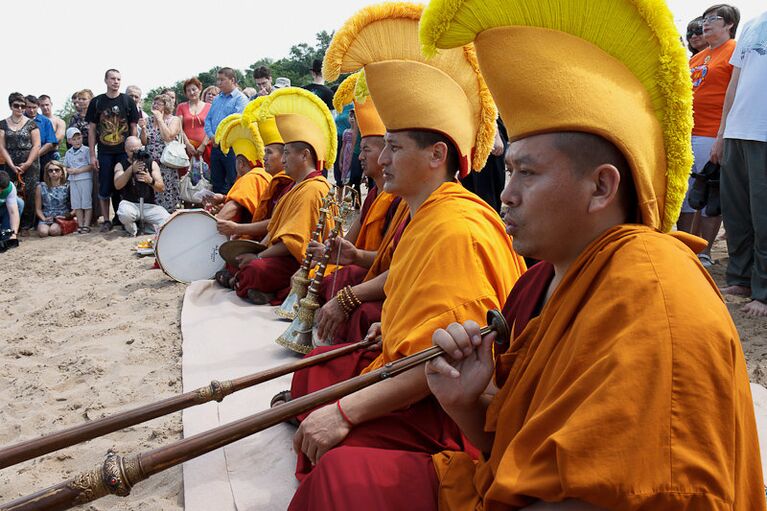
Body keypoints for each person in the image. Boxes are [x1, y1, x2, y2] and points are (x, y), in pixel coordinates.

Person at [294, 1, 765, 508]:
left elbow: (646, 490)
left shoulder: (654, 295)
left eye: (527, 173)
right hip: (496, 478)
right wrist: (467, 401)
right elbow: (515, 441)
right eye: (510, 171)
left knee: (342, 477)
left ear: (602, 187)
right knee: (339, 465)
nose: (506, 194)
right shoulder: (540, 282)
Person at [286, 5, 525, 506]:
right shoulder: (427, 213)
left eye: (393, 148)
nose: (381, 160)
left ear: (437, 155)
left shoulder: (456, 225)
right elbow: (414, 297)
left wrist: (347, 412)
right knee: (315, 374)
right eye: (382, 147)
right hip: (416, 376)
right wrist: (391, 324)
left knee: (333, 462)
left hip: (445, 409)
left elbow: (448, 360)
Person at [306, 70, 407, 344]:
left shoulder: (401, 199)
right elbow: (349, 245)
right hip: (376, 274)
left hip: (389, 285)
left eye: (369, 150)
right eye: (360, 150)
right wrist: (330, 252)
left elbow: (402, 268)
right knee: (328, 279)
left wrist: (354, 258)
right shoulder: (376, 194)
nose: (360, 157)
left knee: (349, 294)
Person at [232, 87, 335, 304]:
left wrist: (258, 256)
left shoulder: (313, 188)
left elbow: (294, 244)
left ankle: (263, 288)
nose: (284, 159)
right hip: (281, 255)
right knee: (238, 262)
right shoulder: (295, 187)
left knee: (255, 268)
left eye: (287, 153)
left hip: (301, 260)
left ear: (305, 155)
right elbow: (274, 230)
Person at [677, 4, 739, 267]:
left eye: (714, 18)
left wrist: (723, 136)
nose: (706, 23)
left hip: (712, 132)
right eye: (705, 18)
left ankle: (705, 250)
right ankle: (684, 244)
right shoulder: (698, 57)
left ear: (729, 25)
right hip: (687, 131)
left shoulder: (734, 51)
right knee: (687, 194)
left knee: (708, 191)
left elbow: (736, 93)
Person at [714, 9, 767, 317]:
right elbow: (734, 83)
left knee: (763, 217)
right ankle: (741, 278)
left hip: (763, 134)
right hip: (737, 131)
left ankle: (763, 290)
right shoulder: (752, 23)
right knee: (736, 214)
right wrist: (722, 132)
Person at [86, 69, 140, 232]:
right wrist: (92, 155)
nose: (116, 82)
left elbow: (133, 127)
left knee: (124, 185)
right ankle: (106, 220)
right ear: (106, 80)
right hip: (105, 151)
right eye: (112, 79)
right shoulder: (97, 102)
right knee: (105, 186)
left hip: (124, 151)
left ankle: (123, 218)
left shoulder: (128, 101)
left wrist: (134, 150)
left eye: (118, 79)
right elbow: (92, 129)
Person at [203, 67, 249, 194]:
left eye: (222, 80)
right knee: (216, 182)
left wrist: (222, 139)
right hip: (215, 146)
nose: (219, 83)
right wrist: (212, 136)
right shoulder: (217, 99)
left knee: (232, 181)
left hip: (231, 148)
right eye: (218, 80)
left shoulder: (241, 99)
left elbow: (237, 122)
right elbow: (208, 120)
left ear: (232, 80)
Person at [113, 136, 170, 236]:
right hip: (130, 204)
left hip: (148, 206)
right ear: (126, 150)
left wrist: (150, 180)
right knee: (124, 213)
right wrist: (131, 169)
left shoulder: (151, 163)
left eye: (138, 150)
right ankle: (133, 229)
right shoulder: (120, 165)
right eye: (132, 151)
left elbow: (161, 188)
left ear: (142, 148)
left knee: (167, 220)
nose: (135, 153)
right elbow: (117, 185)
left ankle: (146, 226)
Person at [0, 92, 40, 231]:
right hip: (10, 162)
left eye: (23, 106)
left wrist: (28, 163)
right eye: (16, 105)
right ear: (10, 106)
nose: (20, 108)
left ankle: (27, 225)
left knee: (29, 192)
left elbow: (37, 145)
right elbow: (1, 146)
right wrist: (11, 165)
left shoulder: (32, 123)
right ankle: (12, 224)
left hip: (30, 163)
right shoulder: (2, 124)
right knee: (12, 192)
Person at [145, 93, 182, 213]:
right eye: (154, 103)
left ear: (166, 106)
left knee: (166, 189)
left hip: (166, 162)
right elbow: (144, 141)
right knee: (151, 188)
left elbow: (168, 136)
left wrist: (160, 120)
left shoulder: (174, 119)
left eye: (158, 103)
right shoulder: (148, 120)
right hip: (150, 161)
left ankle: (167, 216)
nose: (155, 105)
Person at [63, 127, 93, 233]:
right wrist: (68, 170)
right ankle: (80, 225)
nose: (77, 141)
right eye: (74, 139)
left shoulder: (87, 150)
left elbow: (91, 166)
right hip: (73, 180)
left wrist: (78, 170)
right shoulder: (68, 153)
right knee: (77, 204)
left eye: (79, 138)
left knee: (86, 202)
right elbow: (65, 166)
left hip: (85, 178)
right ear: (69, 141)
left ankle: (86, 225)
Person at [177, 77, 212, 165]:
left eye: (194, 89)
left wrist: (203, 145)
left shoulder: (209, 107)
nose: (192, 92)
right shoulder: (181, 107)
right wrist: (187, 144)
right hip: (186, 148)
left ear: (200, 89)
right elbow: (179, 127)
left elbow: (212, 127)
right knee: (186, 176)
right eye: (188, 90)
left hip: (206, 147)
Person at [35, 160, 72, 238]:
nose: (54, 172)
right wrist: (44, 219)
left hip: (62, 216)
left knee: (53, 231)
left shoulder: (68, 186)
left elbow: (76, 207)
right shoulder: (41, 187)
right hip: (46, 216)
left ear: (62, 172)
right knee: (43, 233)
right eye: (50, 170)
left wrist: (67, 216)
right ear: (47, 173)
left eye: (57, 170)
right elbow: (38, 209)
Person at [24, 95, 58, 174]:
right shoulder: (18, 120)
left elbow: (50, 143)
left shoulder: (45, 121)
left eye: (34, 107)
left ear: (38, 106)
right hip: (21, 160)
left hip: (42, 160)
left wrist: (32, 157)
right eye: (29, 107)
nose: (31, 110)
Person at [0, 170, 22, 244]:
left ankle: (6, 234)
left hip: (2, 209)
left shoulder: (10, 187)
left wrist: (13, 234)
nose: (0, 192)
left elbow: (13, 212)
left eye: (2, 190)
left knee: (19, 203)